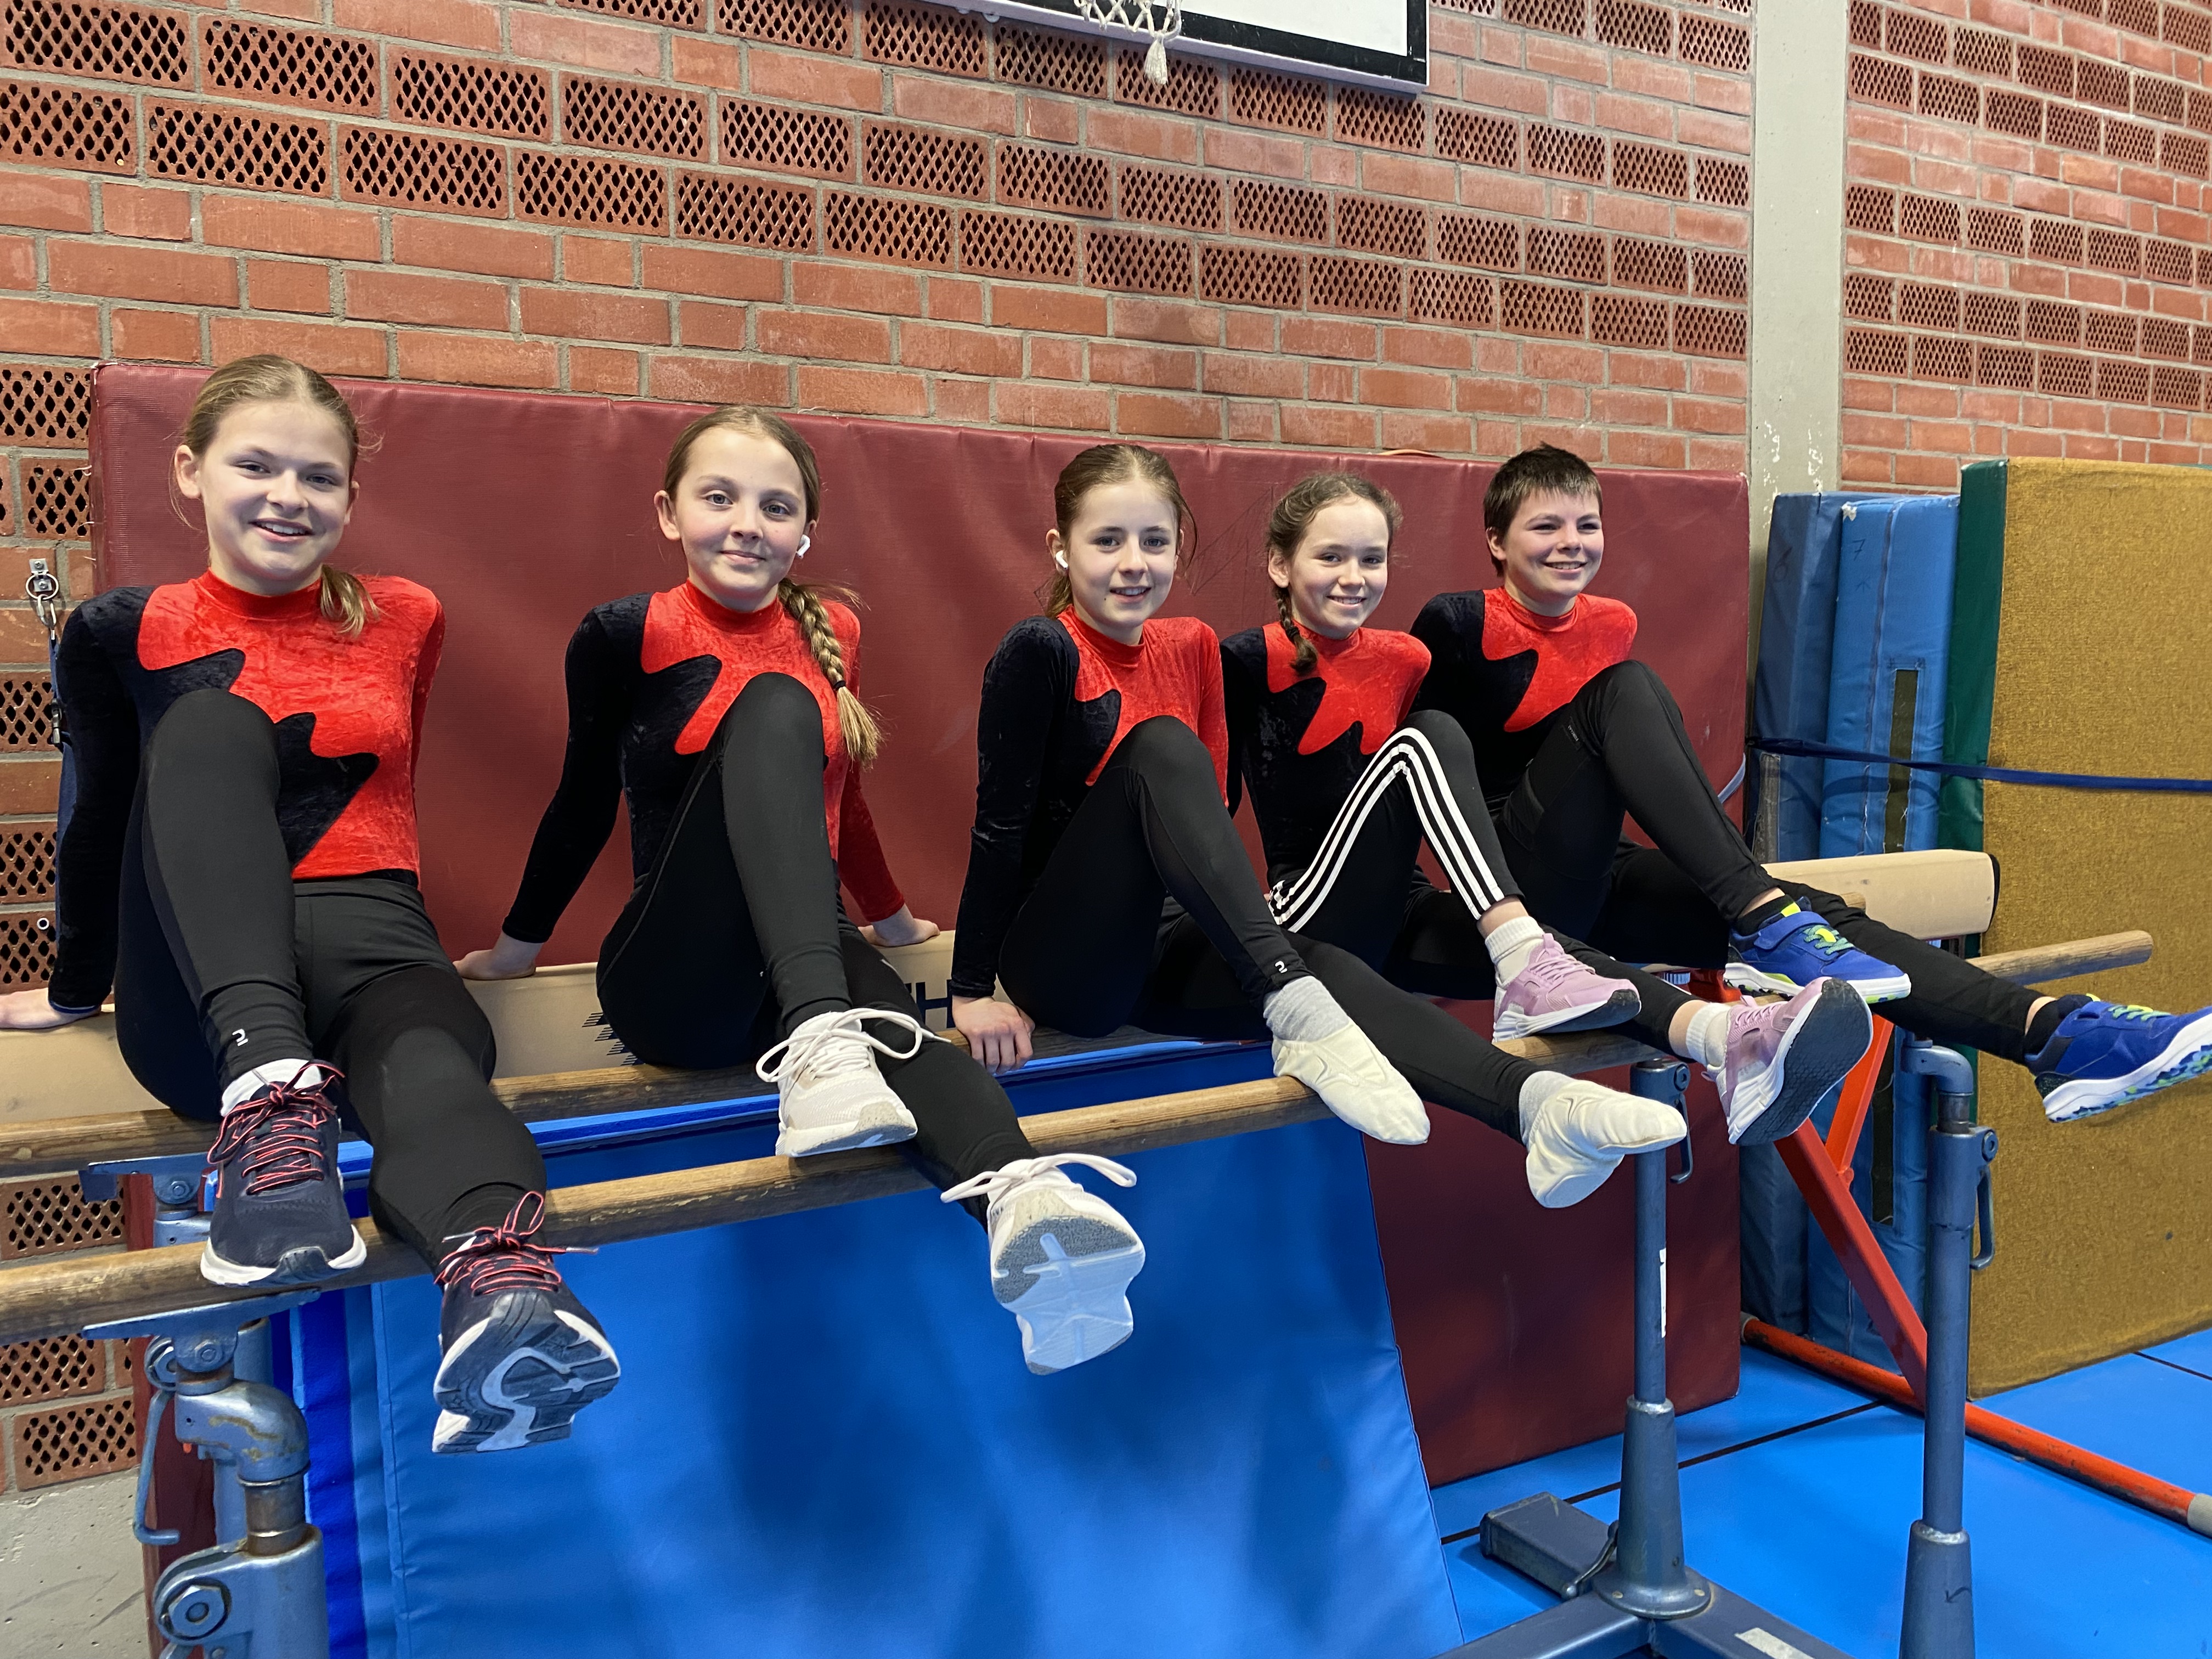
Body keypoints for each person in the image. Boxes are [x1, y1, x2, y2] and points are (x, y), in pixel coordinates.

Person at [0, 356, 617, 1454]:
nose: (288, 496)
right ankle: (270, 1094)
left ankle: (504, 1292)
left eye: (319, 477)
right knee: (210, 722)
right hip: (204, 996)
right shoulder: (120, 628)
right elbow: (98, 818)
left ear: (350, 496)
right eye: (256, 466)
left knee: (433, 1063)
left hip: (376, 944)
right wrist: (74, 986)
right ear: (189, 471)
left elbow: (389, 794)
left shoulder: (405, 615)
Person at [458, 408, 1141, 1375]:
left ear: (806, 533)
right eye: (719, 498)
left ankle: (1026, 1201)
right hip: (678, 976)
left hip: (806, 951)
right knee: (775, 705)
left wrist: (893, 918)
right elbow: (580, 803)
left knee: (897, 1031)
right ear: (668, 512)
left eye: (775, 507)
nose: (747, 523)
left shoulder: (835, 631)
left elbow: (842, 801)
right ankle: (827, 1037)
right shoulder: (625, 633)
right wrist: (516, 949)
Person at [950, 443, 1694, 1211]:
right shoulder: (1042, 649)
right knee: (1165, 753)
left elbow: (1202, 821)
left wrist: (1264, 944)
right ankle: (1291, 995)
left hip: (1164, 939)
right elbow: (999, 829)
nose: (1134, 563)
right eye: (1108, 541)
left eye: (1155, 541)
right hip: (1067, 961)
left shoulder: (1193, 647)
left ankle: (1537, 1107)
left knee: (1330, 970)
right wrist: (970, 990)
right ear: (1061, 547)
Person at [1412, 443, 2212, 1123]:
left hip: (1597, 870)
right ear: (1497, 541)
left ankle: (2061, 1038)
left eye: (1587, 525)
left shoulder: (1608, 622)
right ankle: (1762, 915)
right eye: (1546, 527)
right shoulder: (1457, 623)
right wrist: (1477, 915)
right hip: (1512, 892)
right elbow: (1418, 765)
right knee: (1632, 702)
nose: (1572, 544)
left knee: (1821, 923)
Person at [1221, 471, 1871, 1149]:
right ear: (1281, 564)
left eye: (1371, 559)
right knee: (1431, 742)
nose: (1354, 577)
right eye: (1331, 557)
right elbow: (1215, 810)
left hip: (1400, 909)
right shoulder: (1244, 659)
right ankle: (1519, 951)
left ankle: (1726, 1039)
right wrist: (1243, 934)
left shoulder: (1406, 658)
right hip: (1310, 907)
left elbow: (1411, 801)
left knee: (1563, 960)